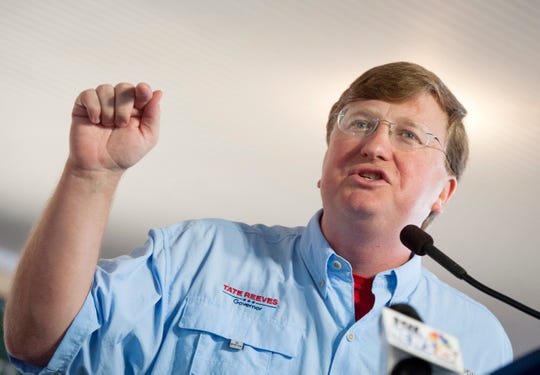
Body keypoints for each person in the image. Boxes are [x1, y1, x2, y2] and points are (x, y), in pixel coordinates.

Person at [4, 62, 512, 374]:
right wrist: (91, 176)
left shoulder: (478, 340)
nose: (375, 144)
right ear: (326, 163)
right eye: (359, 123)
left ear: (443, 193)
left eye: (408, 134)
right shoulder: (199, 257)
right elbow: (38, 342)